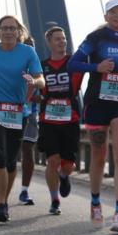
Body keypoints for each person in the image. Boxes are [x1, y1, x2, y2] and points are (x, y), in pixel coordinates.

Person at [68, 0, 118, 234]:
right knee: (99, 155)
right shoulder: (96, 38)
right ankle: (95, 202)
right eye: (114, 12)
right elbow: (73, 64)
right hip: (98, 102)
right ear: (106, 16)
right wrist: (96, 68)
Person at [0, 15, 44, 223]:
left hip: (19, 111)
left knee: (11, 159)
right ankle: (1, 204)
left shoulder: (28, 52)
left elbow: (42, 80)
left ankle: (3, 198)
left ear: (18, 31)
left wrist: (34, 80)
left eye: (12, 28)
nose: (8, 32)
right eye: (4, 28)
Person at [37, 25, 84, 215]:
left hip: (70, 118)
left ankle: (64, 177)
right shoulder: (41, 66)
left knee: (68, 165)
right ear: (49, 43)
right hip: (48, 119)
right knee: (52, 160)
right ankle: (54, 199)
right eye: (57, 39)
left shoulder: (74, 62)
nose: (62, 42)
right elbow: (34, 86)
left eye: (64, 39)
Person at [17, 36, 40, 206]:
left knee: (27, 151)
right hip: (9, 114)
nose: (29, 49)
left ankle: (24, 190)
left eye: (31, 46)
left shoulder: (38, 68)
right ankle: (1, 186)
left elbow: (47, 91)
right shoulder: (11, 65)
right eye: (25, 46)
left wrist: (35, 96)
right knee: (6, 153)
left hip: (30, 115)